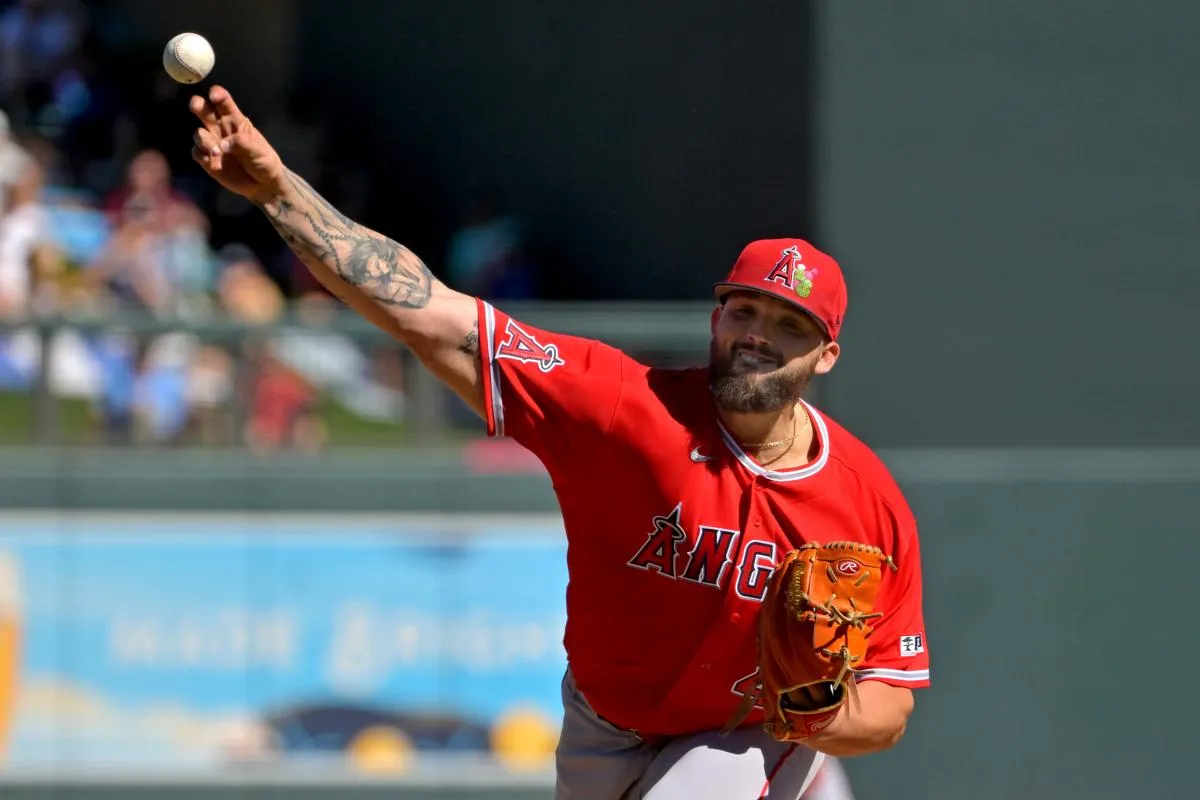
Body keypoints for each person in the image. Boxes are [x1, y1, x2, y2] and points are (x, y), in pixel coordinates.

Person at [186, 85, 931, 800]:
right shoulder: (620, 409)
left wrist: (816, 714)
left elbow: (890, 708)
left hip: (742, 730)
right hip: (602, 722)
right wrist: (279, 191)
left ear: (826, 353)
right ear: (716, 319)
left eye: (790, 326)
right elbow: (432, 317)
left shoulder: (866, 502)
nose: (759, 337)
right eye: (745, 311)